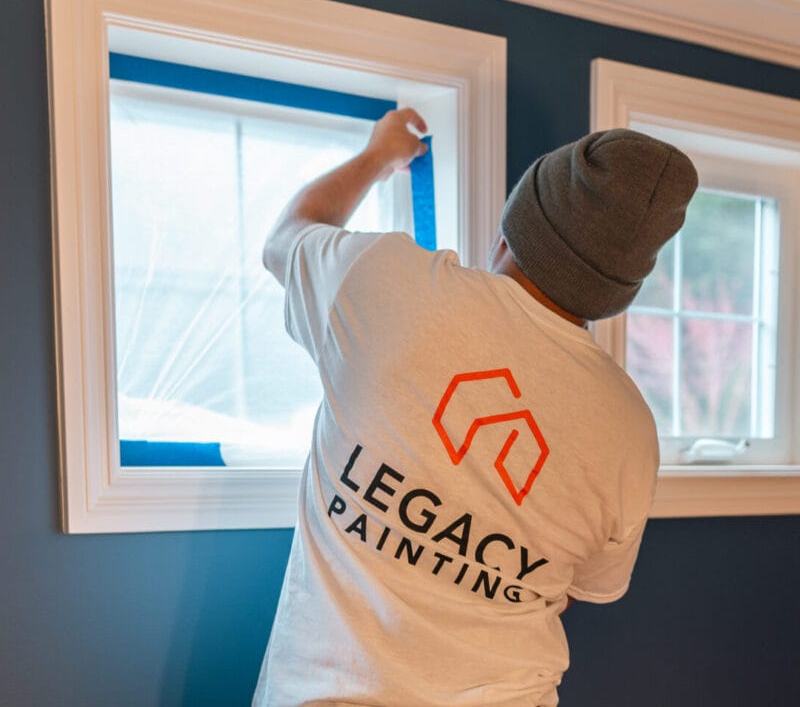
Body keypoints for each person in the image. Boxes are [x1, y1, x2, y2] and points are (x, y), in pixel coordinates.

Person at [253, 108, 698, 706]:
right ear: (617, 291)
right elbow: (572, 588)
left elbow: (288, 234)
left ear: (511, 227)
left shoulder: (385, 284)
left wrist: (379, 156)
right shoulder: (632, 433)